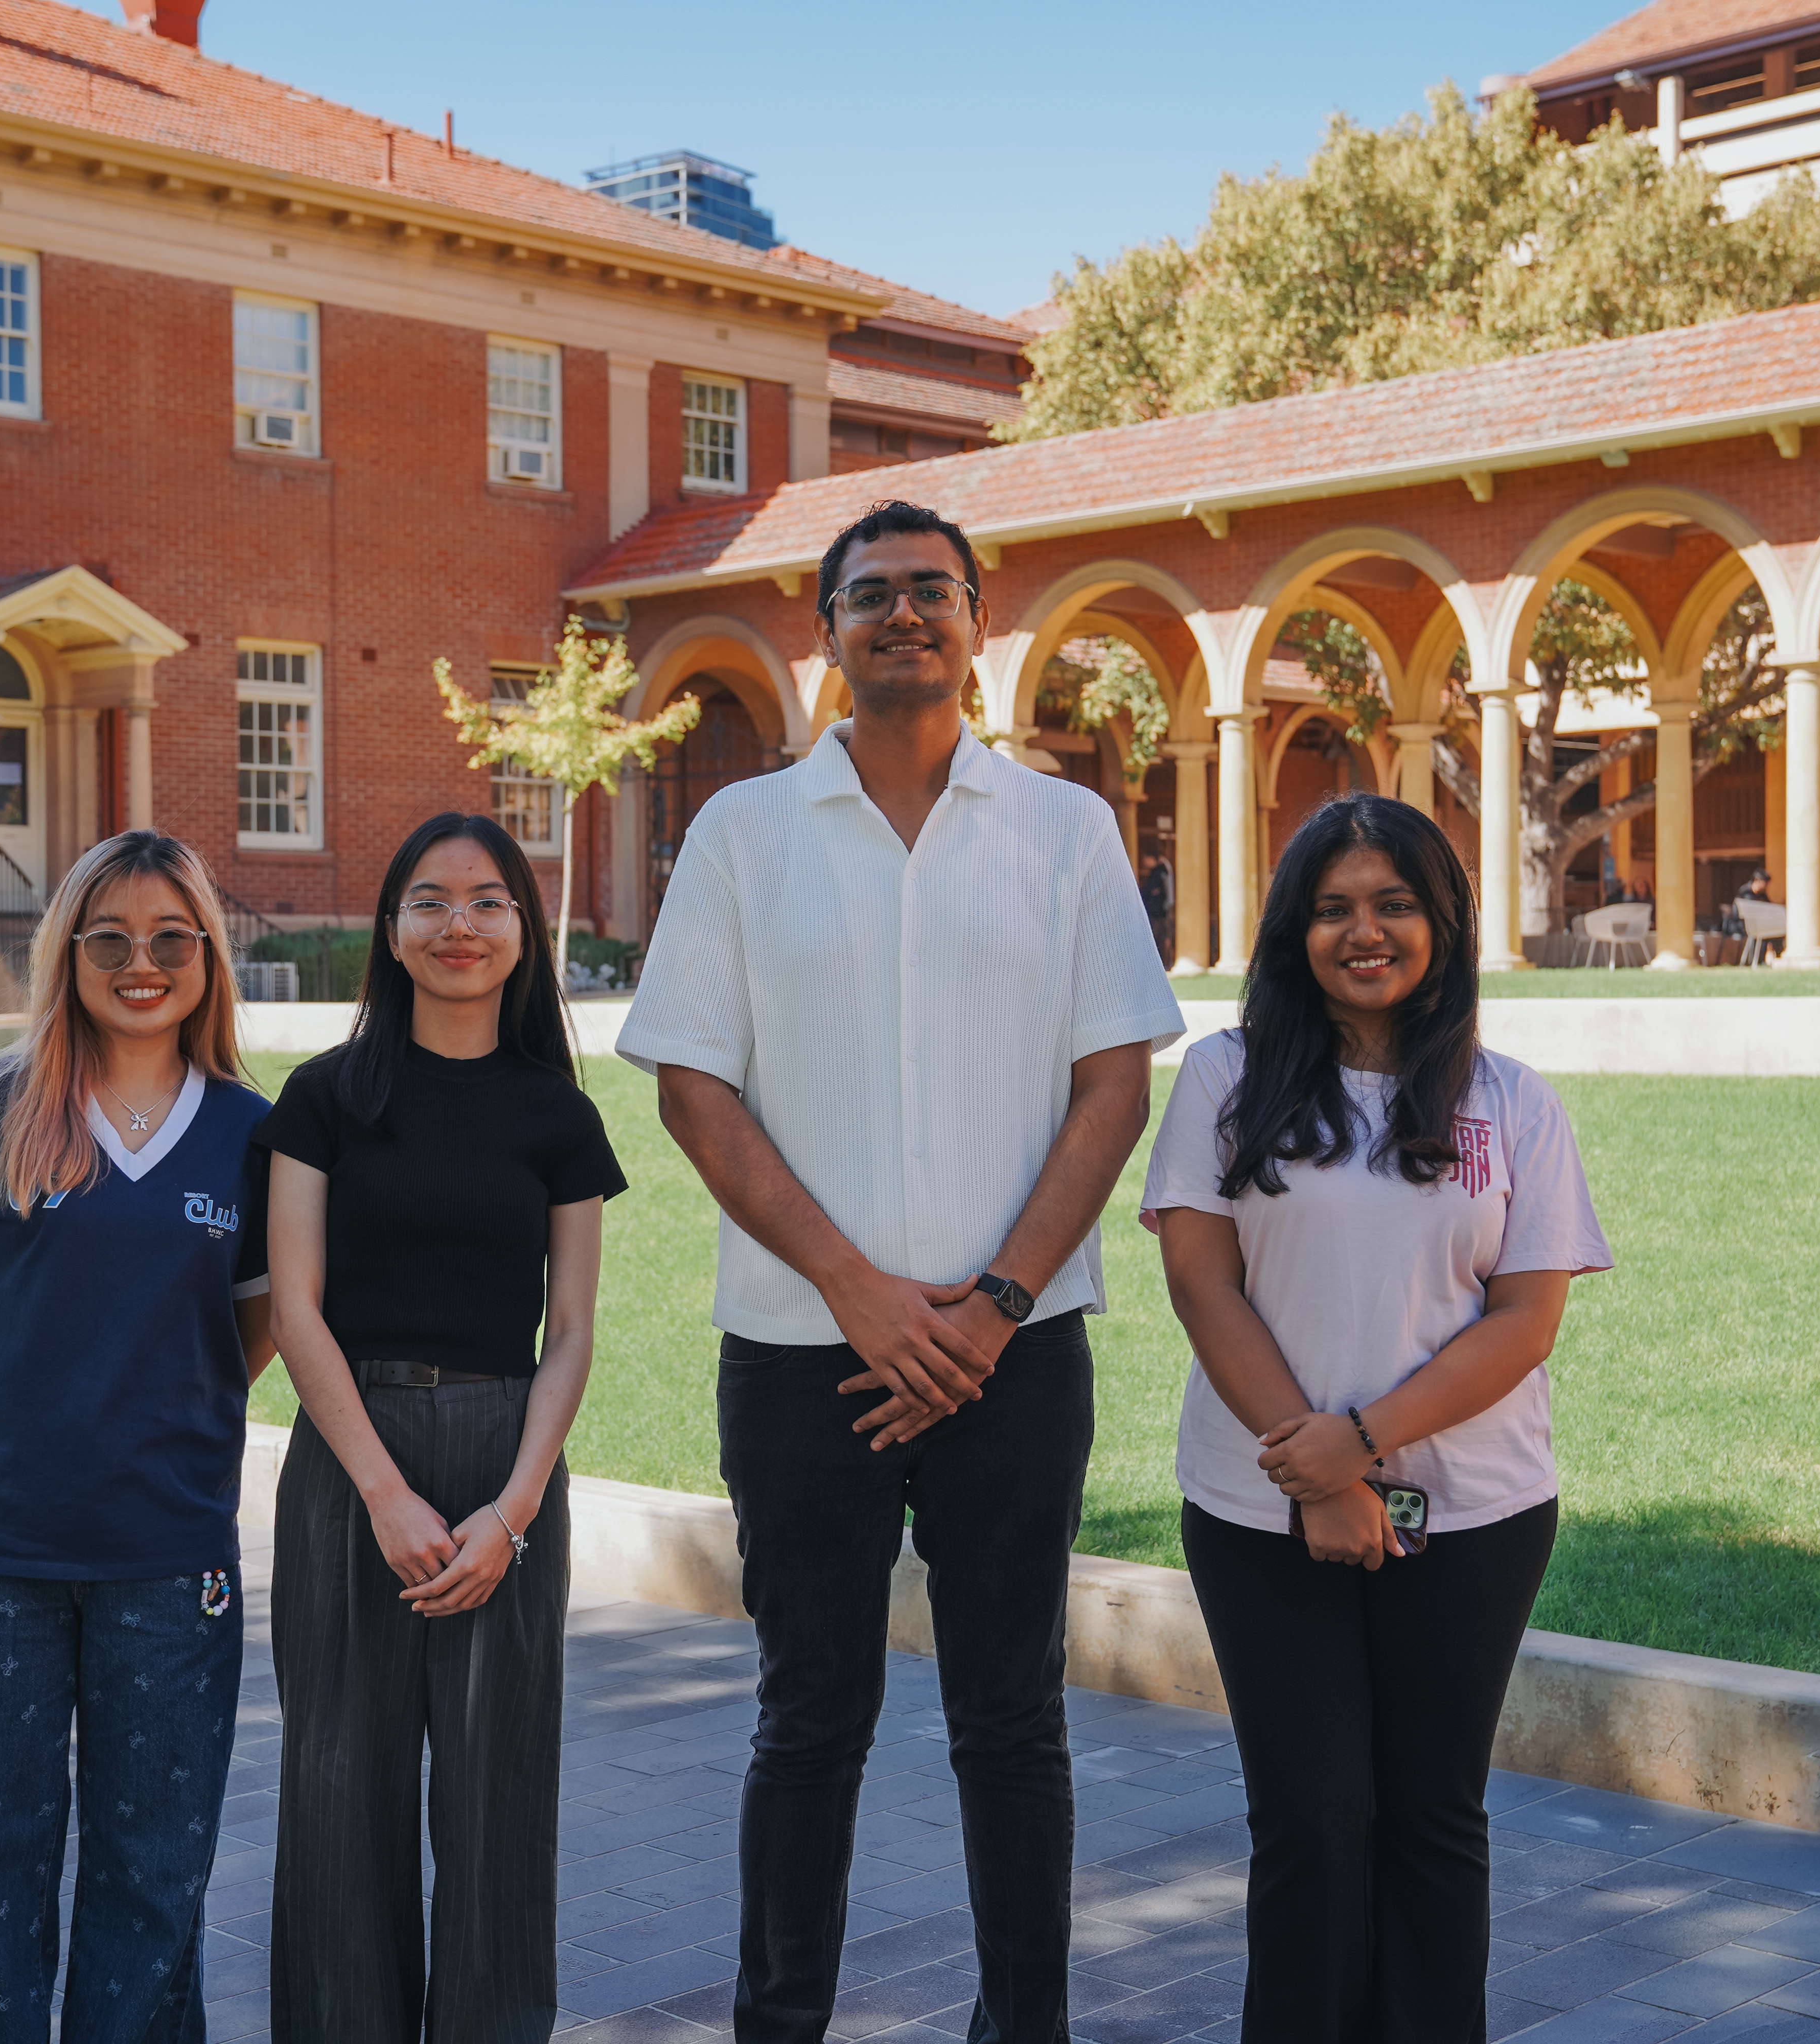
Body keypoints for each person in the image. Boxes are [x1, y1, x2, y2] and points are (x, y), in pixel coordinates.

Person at [619, 499, 1185, 2044]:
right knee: (808, 1720)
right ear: (828, 632)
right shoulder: (741, 833)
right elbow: (691, 1088)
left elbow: (1113, 1085)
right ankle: (778, 2025)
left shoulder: (1065, 830)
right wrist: (863, 1294)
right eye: (869, 594)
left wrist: (994, 1301)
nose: (902, 614)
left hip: (1018, 1356)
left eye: (932, 590)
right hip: (805, 1357)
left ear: (975, 627)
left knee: (1012, 1724)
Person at [1145, 791, 1611, 2042]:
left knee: (1432, 1816)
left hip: (1475, 1510)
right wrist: (1322, 1474)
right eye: (1334, 907)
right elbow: (1202, 1280)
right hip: (1258, 1510)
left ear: (1442, 924)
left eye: (1395, 903)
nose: (1366, 931)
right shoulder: (1224, 1078)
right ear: (1293, 929)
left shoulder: (1513, 1100)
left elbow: (1524, 1319)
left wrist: (1362, 1444)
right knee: (1309, 1820)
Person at [0, 828, 274, 2044]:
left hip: (167, 1561)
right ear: (69, 952)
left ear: (207, 955)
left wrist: (146, 1406)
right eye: (111, 937)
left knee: (153, 1881)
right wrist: (35, 1392)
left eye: (171, 936)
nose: (141, 961)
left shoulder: (253, 1136)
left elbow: (255, 1327)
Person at [259, 812, 625, 2044]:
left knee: (497, 1795)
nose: (458, 925)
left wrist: (513, 1509)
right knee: (337, 1787)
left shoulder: (557, 1115)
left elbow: (569, 1328)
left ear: (523, 931)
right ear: (392, 929)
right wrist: (380, 1490)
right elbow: (294, 1307)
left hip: (504, 1463)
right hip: (348, 1467)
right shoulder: (325, 1098)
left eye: (487, 901)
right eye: (430, 900)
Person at [1142, 849, 1177, 959]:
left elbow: (1152, 890)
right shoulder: (1160, 870)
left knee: (1162, 936)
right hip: (1160, 910)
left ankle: (1165, 961)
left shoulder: (1160, 871)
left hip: (1160, 911)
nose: (1144, 863)